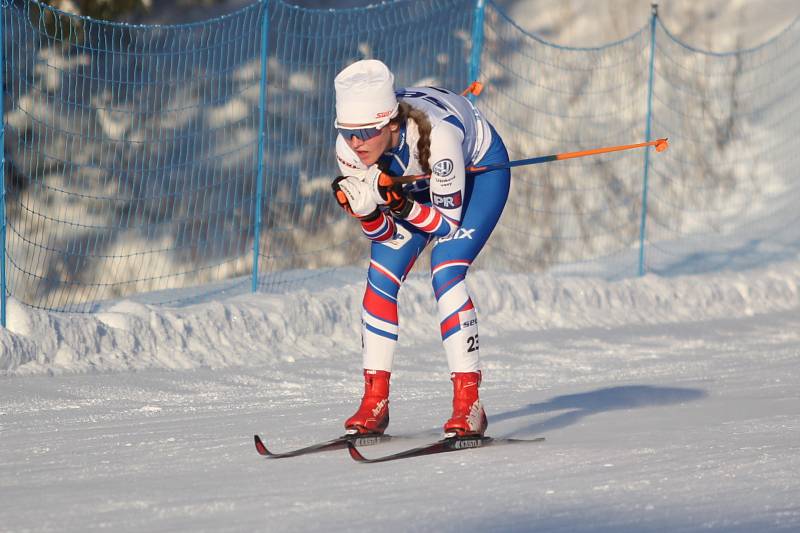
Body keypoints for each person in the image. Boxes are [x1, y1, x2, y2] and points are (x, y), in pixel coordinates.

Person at [330, 59, 511, 437]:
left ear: (391, 123)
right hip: (414, 189)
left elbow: (446, 223)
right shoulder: (349, 152)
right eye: (347, 132)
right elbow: (385, 238)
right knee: (380, 276)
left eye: (365, 131)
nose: (356, 143)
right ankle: (374, 401)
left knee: (445, 270)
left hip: (477, 172)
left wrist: (397, 204)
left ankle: (469, 405)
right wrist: (367, 214)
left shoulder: (439, 138)